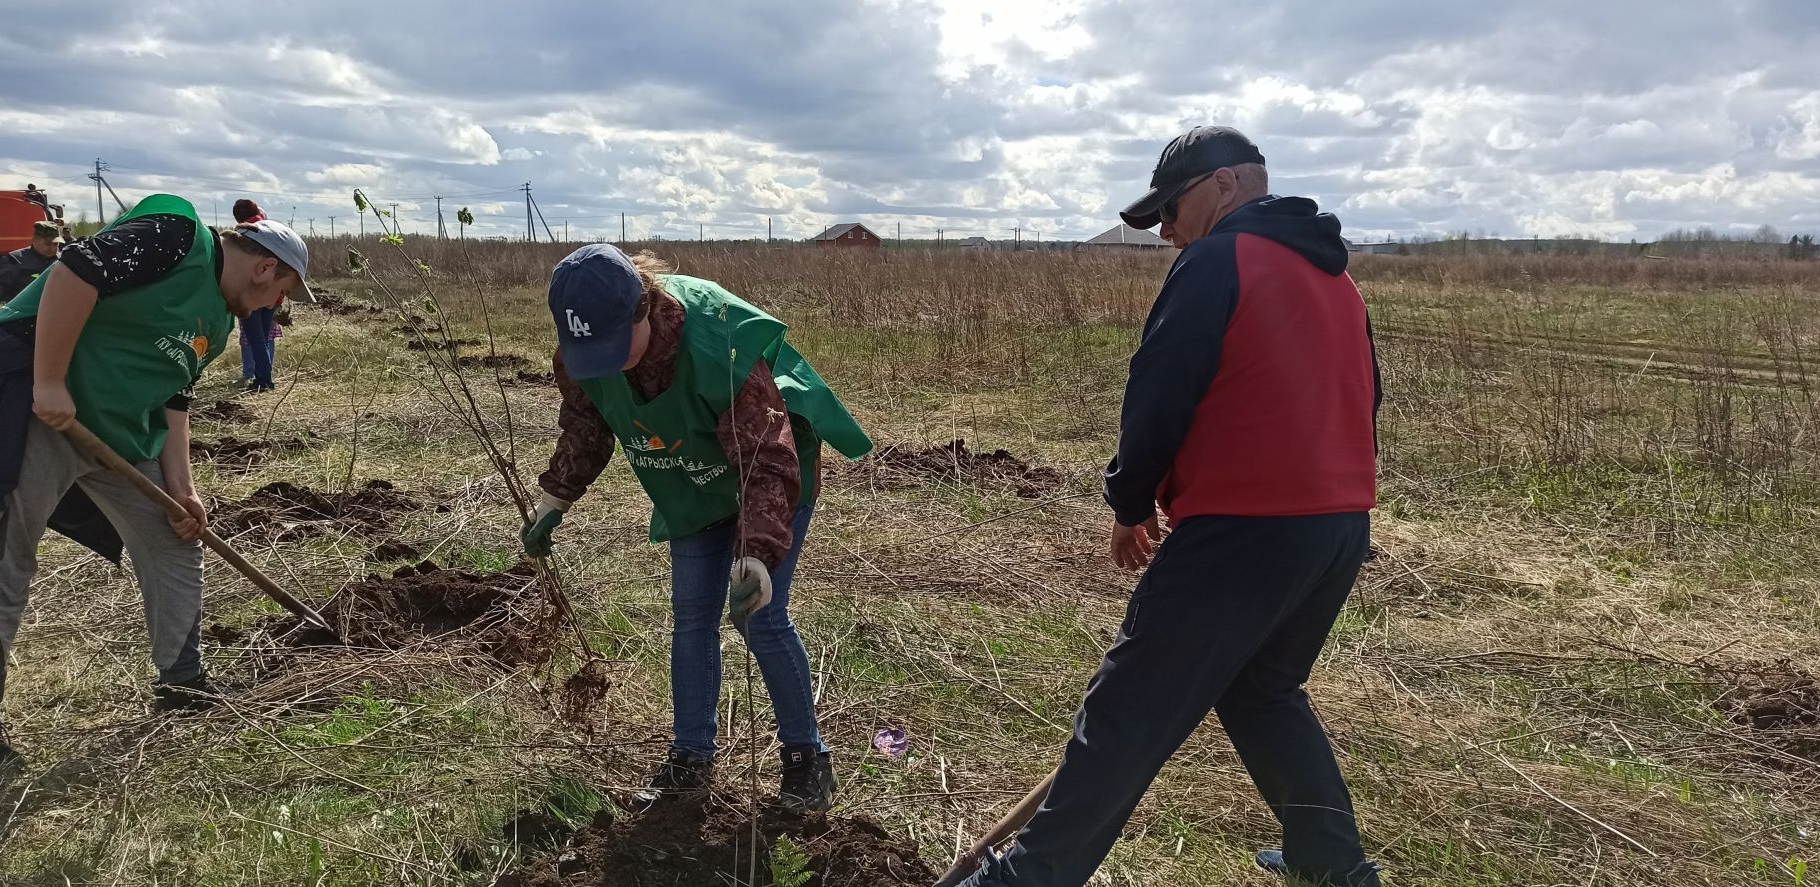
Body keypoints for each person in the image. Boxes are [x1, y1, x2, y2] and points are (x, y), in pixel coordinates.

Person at [947, 127, 1384, 887]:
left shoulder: (1219, 260)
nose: (1165, 232)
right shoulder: (1337, 280)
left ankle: (1024, 878)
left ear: (1224, 187)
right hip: (1338, 528)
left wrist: (1130, 497)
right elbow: (1366, 396)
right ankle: (1332, 864)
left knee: (1128, 709)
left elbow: (1159, 390)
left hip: (1242, 534)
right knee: (1262, 689)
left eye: (1170, 211)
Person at [0, 193, 316, 772]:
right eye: (280, 294)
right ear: (265, 266)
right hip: (34, 408)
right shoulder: (176, 235)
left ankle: (184, 681)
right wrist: (49, 381)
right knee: (0, 561)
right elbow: (75, 271)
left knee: (175, 540)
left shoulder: (219, 322)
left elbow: (173, 397)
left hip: (119, 434)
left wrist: (183, 488)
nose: (274, 307)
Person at [522, 244, 872, 812]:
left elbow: (766, 455)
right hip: (693, 478)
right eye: (590, 351)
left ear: (644, 308)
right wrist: (554, 496)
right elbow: (588, 424)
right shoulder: (583, 352)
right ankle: (690, 758)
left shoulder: (717, 343)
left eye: (613, 347)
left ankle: (808, 763)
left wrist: (756, 552)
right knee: (691, 615)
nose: (603, 363)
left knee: (762, 617)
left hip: (767, 475)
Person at [230, 199, 282, 390]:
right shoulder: (274, 231)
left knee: (256, 339)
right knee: (266, 337)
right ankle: (265, 377)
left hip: (252, 294)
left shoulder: (244, 235)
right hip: (274, 293)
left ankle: (263, 381)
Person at [0, 221, 66, 299]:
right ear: (34, 241)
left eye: (56, 244)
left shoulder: (63, 260)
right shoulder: (15, 260)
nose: (53, 248)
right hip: (25, 309)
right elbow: (0, 286)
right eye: (48, 244)